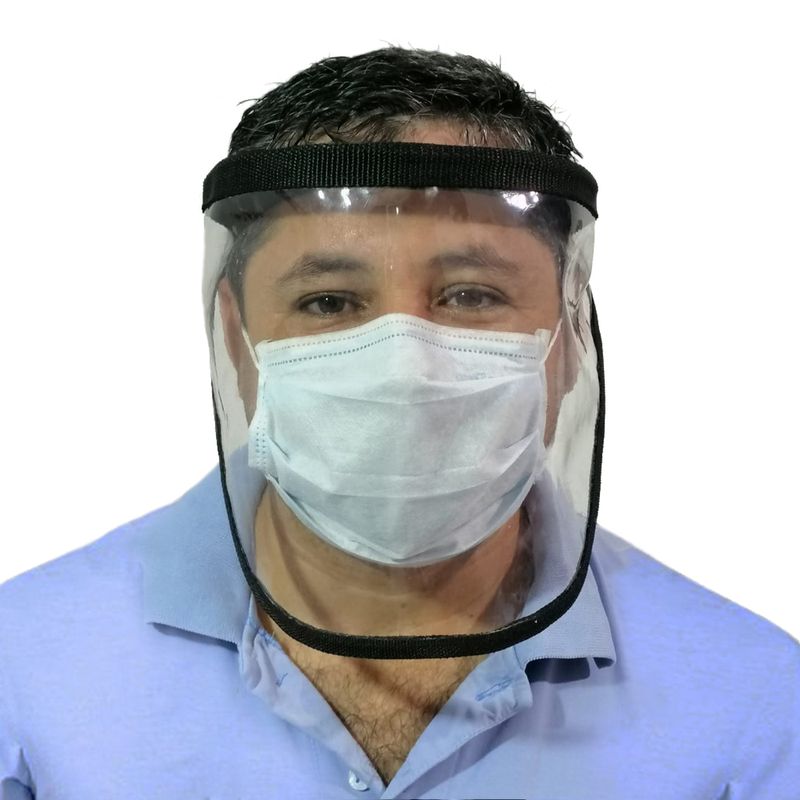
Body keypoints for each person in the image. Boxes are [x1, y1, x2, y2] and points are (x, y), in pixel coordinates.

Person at [1, 47, 797, 800]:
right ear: (239, 342)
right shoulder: (24, 671)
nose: (406, 365)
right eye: (328, 302)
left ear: (565, 339)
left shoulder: (751, 703)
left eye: (472, 294)